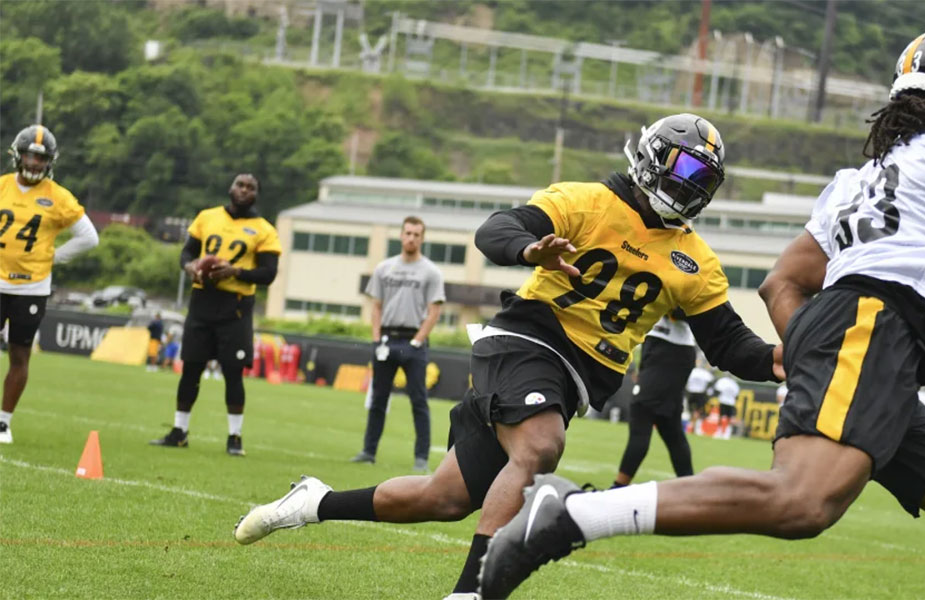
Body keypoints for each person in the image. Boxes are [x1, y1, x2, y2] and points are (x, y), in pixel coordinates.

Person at [480, 26, 925, 599]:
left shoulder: (860, 178)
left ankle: (574, 513)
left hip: (873, 343)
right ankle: (575, 515)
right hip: (875, 325)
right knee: (802, 502)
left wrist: (812, 350)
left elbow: (783, 281)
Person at [234, 113, 783, 599]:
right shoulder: (587, 201)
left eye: (703, 181)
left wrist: (782, 359)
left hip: (574, 378)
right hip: (526, 339)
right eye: (685, 171)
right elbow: (495, 229)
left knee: (442, 498)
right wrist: (528, 249)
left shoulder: (695, 260)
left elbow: (729, 343)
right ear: (652, 158)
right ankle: (472, 591)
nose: (690, 188)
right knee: (541, 444)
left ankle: (313, 502)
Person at [150, 173, 280, 456]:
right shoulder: (207, 217)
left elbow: (269, 273)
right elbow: (186, 254)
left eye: (251, 187)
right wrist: (190, 268)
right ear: (230, 188)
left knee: (234, 373)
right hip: (202, 301)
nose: (244, 190)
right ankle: (179, 431)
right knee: (191, 369)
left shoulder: (264, 229)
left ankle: (235, 437)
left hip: (235, 306)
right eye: (240, 185)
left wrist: (236, 272)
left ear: (257, 194)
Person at [0, 125, 99, 445]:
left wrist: (55, 257)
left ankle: (3, 422)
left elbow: (89, 237)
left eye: (40, 159)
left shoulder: (58, 197)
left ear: (50, 162)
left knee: (20, 354)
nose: (33, 163)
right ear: (18, 154)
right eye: (29, 155)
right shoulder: (2, 186)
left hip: (32, 287)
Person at [351, 216, 445, 470]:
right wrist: (375, 339)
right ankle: (368, 451)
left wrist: (417, 341)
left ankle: (421, 458)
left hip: (413, 342)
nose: (411, 238)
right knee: (378, 399)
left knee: (418, 400)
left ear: (422, 238)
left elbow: (434, 311)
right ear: (401, 235)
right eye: (408, 233)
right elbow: (376, 306)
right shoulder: (384, 268)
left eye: (416, 234)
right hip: (386, 340)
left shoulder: (431, 272)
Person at [612, 314, 697, 488]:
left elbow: (686, 305)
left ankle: (618, 486)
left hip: (671, 348)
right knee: (670, 427)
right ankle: (690, 487)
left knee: (641, 411)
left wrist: (670, 303)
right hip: (660, 346)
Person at [683, 362, 714, 434]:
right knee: (698, 410)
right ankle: (696, 427)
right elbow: (710, 382)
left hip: (691, 392)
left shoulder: (692, 371)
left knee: (691, 410)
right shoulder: (705, 373)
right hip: (700, 393)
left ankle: (691, 426)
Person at [711, 372, 740, 440]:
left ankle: (720, 432)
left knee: (722, 417)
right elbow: (736, 395)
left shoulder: (722, 381)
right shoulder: (734, 384)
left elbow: (717, 390)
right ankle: (726, 433)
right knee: (729, 418)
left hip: (723, 401)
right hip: (731, 402)